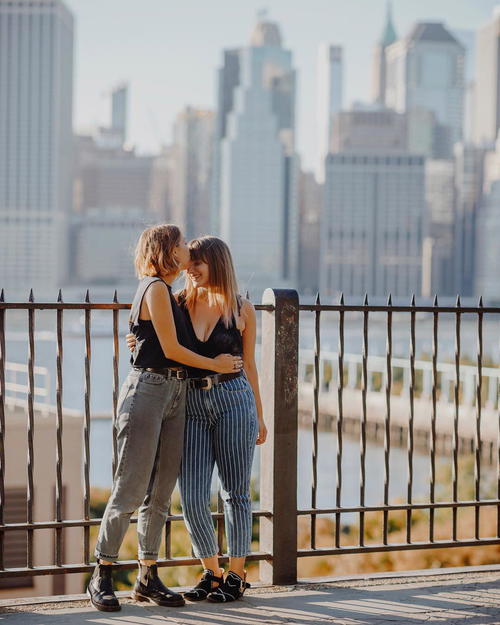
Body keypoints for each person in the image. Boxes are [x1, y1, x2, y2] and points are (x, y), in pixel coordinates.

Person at [88, 225, 242, 613]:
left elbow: (162, 339)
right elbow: (171, 347)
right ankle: (102, 573)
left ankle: (147, 575)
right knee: (130, 488)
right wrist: (216, 365)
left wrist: (139, 339)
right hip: (149, 391)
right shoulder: (154, 287)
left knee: (160, 493)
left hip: (176, 394)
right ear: (166, 250)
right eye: (180, 245)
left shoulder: (171, 295)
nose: (186, 250)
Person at [127, 235, 266, 603]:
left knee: (235, 492)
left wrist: (260, 416)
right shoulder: (178, 302)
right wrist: (134, 342)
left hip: (234, 400)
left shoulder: (242, 309)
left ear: (217, 263)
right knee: (190, 495)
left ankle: (236, 574)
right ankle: (212, 572)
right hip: (189, 402)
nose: (190, 268)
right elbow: (152, 337)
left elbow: (250, 365)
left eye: (198, 263)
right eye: (189, 263)